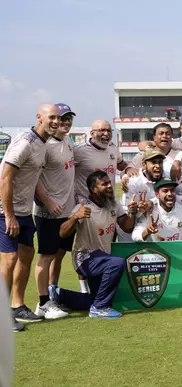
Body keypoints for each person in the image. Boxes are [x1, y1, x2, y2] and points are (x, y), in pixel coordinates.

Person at [0, 104, 58, 332]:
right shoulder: (25, 142)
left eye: (58, 118)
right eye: (51, 117)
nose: (55, 121)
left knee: (26, 254)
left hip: (24, 211)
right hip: (5, 211)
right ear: (39, 118)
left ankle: (17, 306)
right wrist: (9, 215)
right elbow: (5, 177)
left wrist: (48, 201)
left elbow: (34, 180)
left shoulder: (43, 144)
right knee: (9, 259)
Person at [52, 170, 137, 318]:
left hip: (102, 259)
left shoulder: (114, 205)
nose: (110, 186)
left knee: (98, 298)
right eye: (104, 184)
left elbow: (127, 227)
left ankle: (60, 295)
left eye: (109, 182)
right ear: (93, 189)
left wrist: (132, 212)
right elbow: (62, 232)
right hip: (84, 258)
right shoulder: (83, 208)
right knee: (117, 263)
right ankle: (99, 308)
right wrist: (75, 218)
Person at [32, 103, 78, 319]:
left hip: (67, 211)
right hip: (49, 212)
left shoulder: (68, 140)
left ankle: (52, 295)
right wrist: (48, 202)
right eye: (61, 118)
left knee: (58, 256)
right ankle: (42, 303)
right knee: (46, 257)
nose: (65, 122)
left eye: (69, 118)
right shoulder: (44, 145)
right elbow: (34, 179)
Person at [74, 119, 135, 201]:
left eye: (109, 131)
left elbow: (121, 165)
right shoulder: (79, 151)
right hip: (87, 205)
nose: (106, 134)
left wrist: (128, 169)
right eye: (102, 130)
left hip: (109, 202)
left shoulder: (113, 148)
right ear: (92, 134)